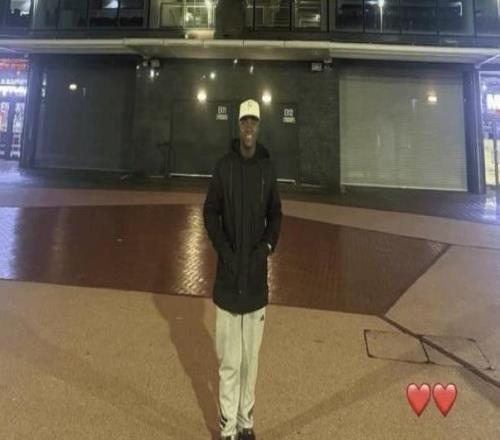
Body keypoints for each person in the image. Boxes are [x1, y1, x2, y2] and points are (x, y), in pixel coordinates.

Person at [203, 98, 282, 440]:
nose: (249, 127)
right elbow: (210, 211)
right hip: (227, 280)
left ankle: (245, 423)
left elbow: (276, 215)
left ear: (259, 127)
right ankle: (227, 429)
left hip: (255, 283)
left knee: (250, 362)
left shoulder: (267, 169)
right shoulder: (224, 167)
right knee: (230, 363)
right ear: (238, 126)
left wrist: (266, 248)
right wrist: (223, 249)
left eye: (254, 122)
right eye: (244, 122)